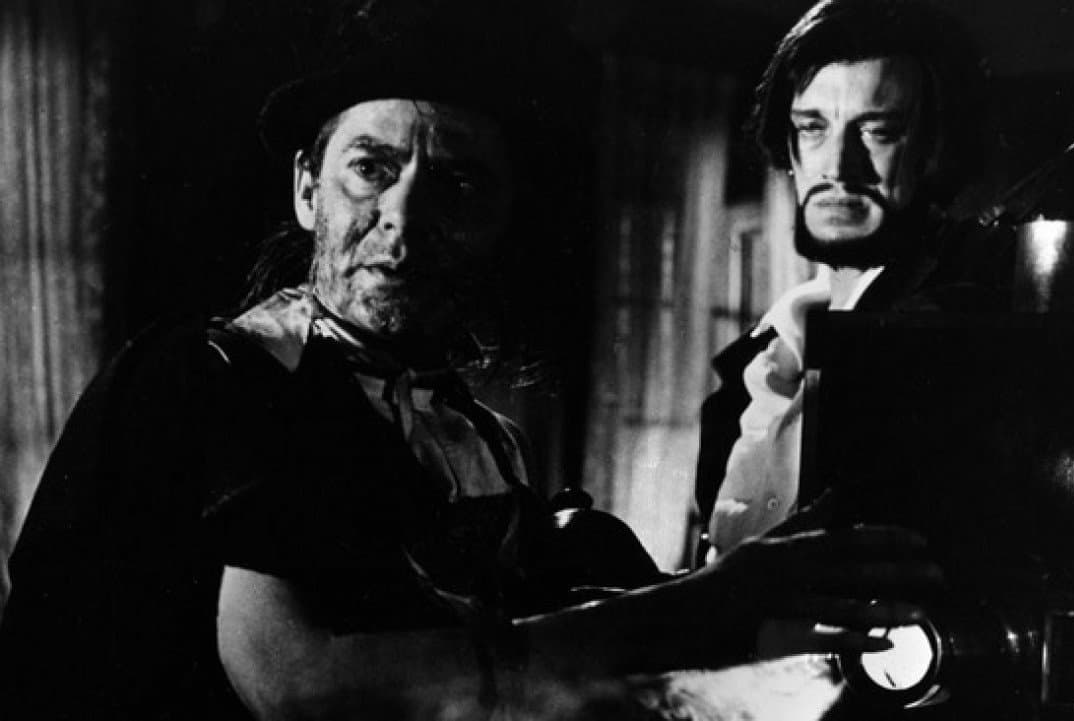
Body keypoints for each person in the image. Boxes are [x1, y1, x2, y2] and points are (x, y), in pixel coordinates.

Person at [0, 3, 939, 719]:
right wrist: (690, 609)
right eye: (371, 168)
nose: (404, 217)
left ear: (501, 223)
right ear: (307, 189)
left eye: (456, 184)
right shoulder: (214, 379)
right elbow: (298, 684)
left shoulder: (472, 435)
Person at [696, 0, 997, 557]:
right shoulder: (760, 357)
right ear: (789, 149)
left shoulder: (951, 336)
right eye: (813, 128)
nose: (838, 166)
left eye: (877, 131)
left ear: (935, 151)